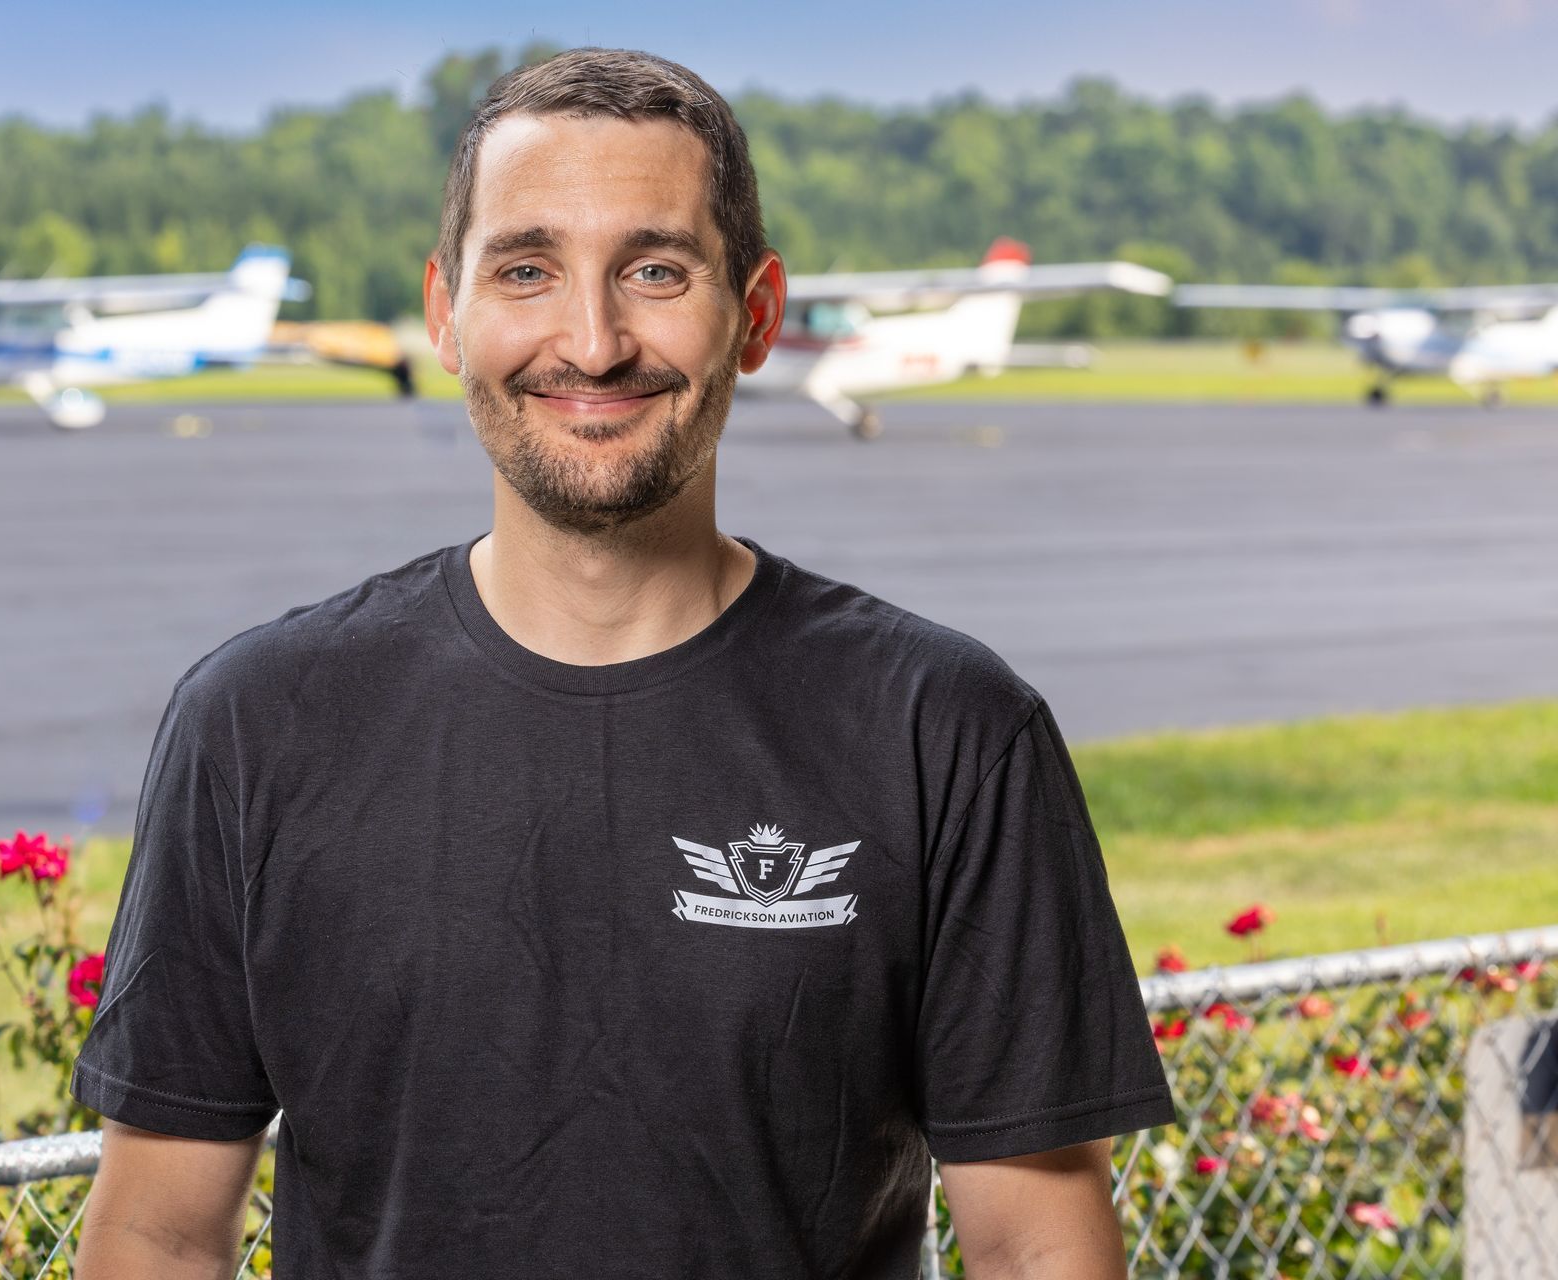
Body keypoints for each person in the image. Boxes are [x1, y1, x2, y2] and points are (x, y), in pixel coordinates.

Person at [70, 47, 1175, 1279]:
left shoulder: (948, 730)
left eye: (655, 271)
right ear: (447, 313)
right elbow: (159, 1233)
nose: (591, 343)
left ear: (754, 316)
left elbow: (1040, 1252)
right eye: (527, 270)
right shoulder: (257, 722)